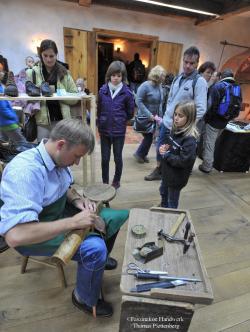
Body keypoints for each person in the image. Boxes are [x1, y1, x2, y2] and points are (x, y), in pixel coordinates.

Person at [0, 119, 129, 317]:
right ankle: (83, 299)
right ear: (61, 144)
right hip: (33, 233)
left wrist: (78, 201)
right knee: (95, 249)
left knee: (114, 216)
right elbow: (16, 236)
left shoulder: (58, 158)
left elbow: (65, 186)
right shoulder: (25, 172)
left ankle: (98, 262)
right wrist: (73, 222)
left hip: (58, 213)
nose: (77, 162)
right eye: (77, 156)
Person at [145, 46, 207, 181]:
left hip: (180, 127)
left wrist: (186, 126)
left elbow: (201, 108)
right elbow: (171, 100)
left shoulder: (199, 82)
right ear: (182, 61)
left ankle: (168, 175)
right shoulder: (177, 78)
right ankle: (159, 170)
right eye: (186, 62)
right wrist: (166, 117)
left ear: (197, 64)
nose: (188, 66)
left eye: (192, 63)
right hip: (167, 122)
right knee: (160, 148)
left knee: (174, 152)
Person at [26, 39, 78, 142]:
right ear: (41, 55)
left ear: (56, 55)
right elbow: (27, 98)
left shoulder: (64, 73)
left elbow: (75, 97)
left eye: (51, 56)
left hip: (62, 121)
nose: (48, 59)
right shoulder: (32, 73)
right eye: (45, 56)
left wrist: (59, 95)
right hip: (42, 122)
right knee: (44, 152)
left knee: (62, 153)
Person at [98, 61, 134, 189]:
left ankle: (116, 180)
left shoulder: (127, 93)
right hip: (104, 131)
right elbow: (99, 109)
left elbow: (130, 113)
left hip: (119, 132)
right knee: (104, 159)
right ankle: (105, 182)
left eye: (118, 75)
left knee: (118, 158)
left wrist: (121, 119)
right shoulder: (102, 91)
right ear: (109, 75)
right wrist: (100, 121)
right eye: (113, 75)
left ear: (122, 76)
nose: (115, 78)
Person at [199, 69, 242, 173]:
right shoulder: (237, 87)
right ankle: (207, 162)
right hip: (225, 122)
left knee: (209, 145)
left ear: (222, 76)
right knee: (212, 143)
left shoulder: (218, 86)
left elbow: (211, 105)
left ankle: (207, 167)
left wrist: (206, 119)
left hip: (213, 121)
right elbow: (238, 105)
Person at [159, 101, 198, 208]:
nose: (176, 118)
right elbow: (171, 146)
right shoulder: (174, 130)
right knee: (163, 191)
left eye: (180, 116)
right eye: (175, 114)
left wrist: (166, 155)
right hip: (167, 172)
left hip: (177, 178)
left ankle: (171, 215)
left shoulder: (190, 140)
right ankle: (163, 207)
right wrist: (166, 148)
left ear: (189, 118)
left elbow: (183, 161)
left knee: (172, 200)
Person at [0, 64, 27, 143]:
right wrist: (14, 118)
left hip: (3, 123)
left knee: (3, 144)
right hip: (9, 123)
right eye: (0, 71)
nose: (2, 73)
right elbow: (3, 108)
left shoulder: (1, 86)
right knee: (22, 144)